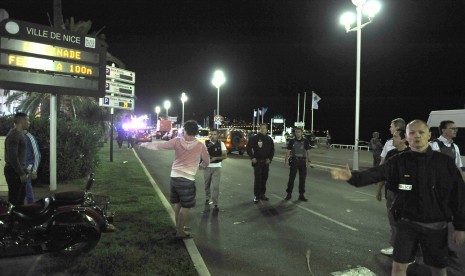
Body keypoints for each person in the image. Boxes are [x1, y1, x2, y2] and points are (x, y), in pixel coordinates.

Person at [331, 120, 465, 276]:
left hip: (435, 227)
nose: (417, 136)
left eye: (421, 132)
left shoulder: (444, 163)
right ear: (407, 137)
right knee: (398, 267)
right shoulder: (399, 160)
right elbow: (377, 173)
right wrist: (352, 177)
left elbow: (459, 195)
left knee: (438, 268)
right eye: (412, 133)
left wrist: (460, 227)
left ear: (429, 135)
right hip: (407, 225)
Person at [139, 120, 210, 239]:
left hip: (175, 177)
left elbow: (159, 146)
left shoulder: (177, 141)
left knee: (178, 204)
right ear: (196, 132)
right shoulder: (200, 145)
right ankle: (180, 232)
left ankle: (178, 227)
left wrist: (144, 144)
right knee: (186, 207)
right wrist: (200, 167)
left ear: (185, 130)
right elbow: (207, 161)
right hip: (188, 178)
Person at [375, 130, 410, 256]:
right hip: (391, 191)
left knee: (404, 222)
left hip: (404, 194)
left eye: (395, 137)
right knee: (393, 221)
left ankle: (404, 248)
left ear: (404, 139)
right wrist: (379, 189)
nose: (392, 139)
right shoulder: (391, 153)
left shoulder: (410, 154)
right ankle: (395, 246)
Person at [4, 112, 30, 206]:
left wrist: (25, 170)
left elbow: (18, 157)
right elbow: (13, 157)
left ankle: (17, 219)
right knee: (15, 200)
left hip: (16, 171)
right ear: (21, 121)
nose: (29, 122)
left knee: (20, 199)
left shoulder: (18, 134)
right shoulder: (14, 135)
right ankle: (12, 220)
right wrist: (21, 173)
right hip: (14, 172)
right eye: (27, 120)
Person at [246, 123, 275, 204]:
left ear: (267, 129)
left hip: (266, 163)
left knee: (264, 179)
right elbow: (248, 148)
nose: (262, 129)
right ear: (259, 129)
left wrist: (270, 158)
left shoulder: (269, 139)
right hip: (258, 162)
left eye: (264, 128)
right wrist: (252, 158)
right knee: (258, 179)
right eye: (261, 128)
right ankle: (257, 196)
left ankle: (262, 194)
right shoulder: (254, 138)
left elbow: (272, 150)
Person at [284, 127, 312, 201]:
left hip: (303, 162)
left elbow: (308, 152)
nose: (297, 133)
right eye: (296, 132)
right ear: (294, 133)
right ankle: (289, 194)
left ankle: (301, 195)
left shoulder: (305, 141)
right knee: (291, 178)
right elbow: (288, 151)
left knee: (302, 179)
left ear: (302, 132)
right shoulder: (292, 141)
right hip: (294, 161)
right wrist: (286, 161)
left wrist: (309, 161)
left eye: (299, 132)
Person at [204, 129, 227, 210]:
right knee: (207, 184)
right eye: (211, 134)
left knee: (215, 186)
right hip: (207, 167)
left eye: (214, 134)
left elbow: (224, 156)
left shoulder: (221, 144)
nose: (213, 136)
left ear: (218, 135)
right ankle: (207, 197)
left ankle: (215, 203)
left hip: (217, 167)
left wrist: (216, 158)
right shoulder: (205, 143)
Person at [24, 130, 41, 204]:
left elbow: (37, 155)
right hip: (19, 168)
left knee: (27, 190)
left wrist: (34, 171)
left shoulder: (30, 137)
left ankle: (31, 208)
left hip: (27, 168)